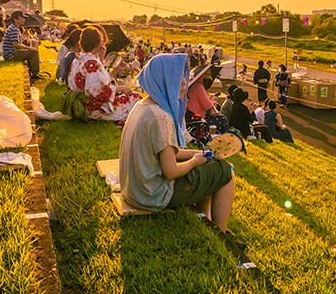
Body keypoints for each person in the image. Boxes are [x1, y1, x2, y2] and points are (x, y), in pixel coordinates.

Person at [119, 53, 235, 232]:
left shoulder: (142, 106)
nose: (183, 82)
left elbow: (167, 152)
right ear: (162, 79)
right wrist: (196, 161)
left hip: (134, 191)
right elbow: (171, 172)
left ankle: (204, 218)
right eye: (176, 76)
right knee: (225, 170)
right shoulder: (161, 117)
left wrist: (196, 154)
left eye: (183, 75)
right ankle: (221, 231)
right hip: (152, 196)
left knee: (207, 166)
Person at [66, 27, 141, 122]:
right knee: (136, 97)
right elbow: (102, 94)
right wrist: (122, 88)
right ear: (98, 45)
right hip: (93, 109)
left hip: (82, 105)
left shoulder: (77, 60)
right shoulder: (92, 63)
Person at [186, 65, 229, 134]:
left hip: (191, 117)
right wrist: (213, 99)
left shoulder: (192, 86)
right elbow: (207, 105)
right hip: (199, 119)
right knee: (221, 118)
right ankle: (226, 136)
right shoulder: (198, 87)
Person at [2, 11, 43, 81]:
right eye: (21, 18)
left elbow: (19, 42)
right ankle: (35, 74)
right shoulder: (13, 29)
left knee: (31, 51)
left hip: (13, 52)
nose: (23, 20)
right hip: (10, 54)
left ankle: (33, 72)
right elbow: (15, 44)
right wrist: (29, 48)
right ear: (15, 19)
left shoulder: (15, 28)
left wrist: (23, 35)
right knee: (33, 53)